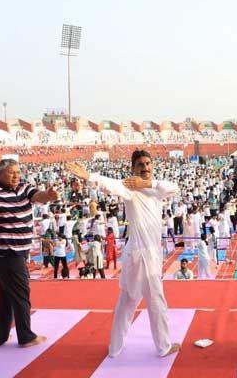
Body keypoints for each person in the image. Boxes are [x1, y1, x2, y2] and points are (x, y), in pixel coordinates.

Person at [66, 150, 181, 358]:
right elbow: (110, 183)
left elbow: (174, 187)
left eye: (148, 164)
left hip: (139, 253)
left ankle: (115, 348)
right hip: (144, 255)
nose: (145, 168)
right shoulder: (129, 188)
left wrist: (146, 184)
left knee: (128, 300)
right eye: (140, 165)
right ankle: (163, 347)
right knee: (155, 300)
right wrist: (89, 176)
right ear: (133, 169)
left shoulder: (155, 188)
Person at [0, 158, 58, 348]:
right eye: (11, 172)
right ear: (0, 175)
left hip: (13, 253)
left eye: (18, 171)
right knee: (22, 294)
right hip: (6, 253)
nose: (16, 175)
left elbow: (38, 196)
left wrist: (49, 194)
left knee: (7, 295)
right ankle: (26, 336)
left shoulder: (24, 188)